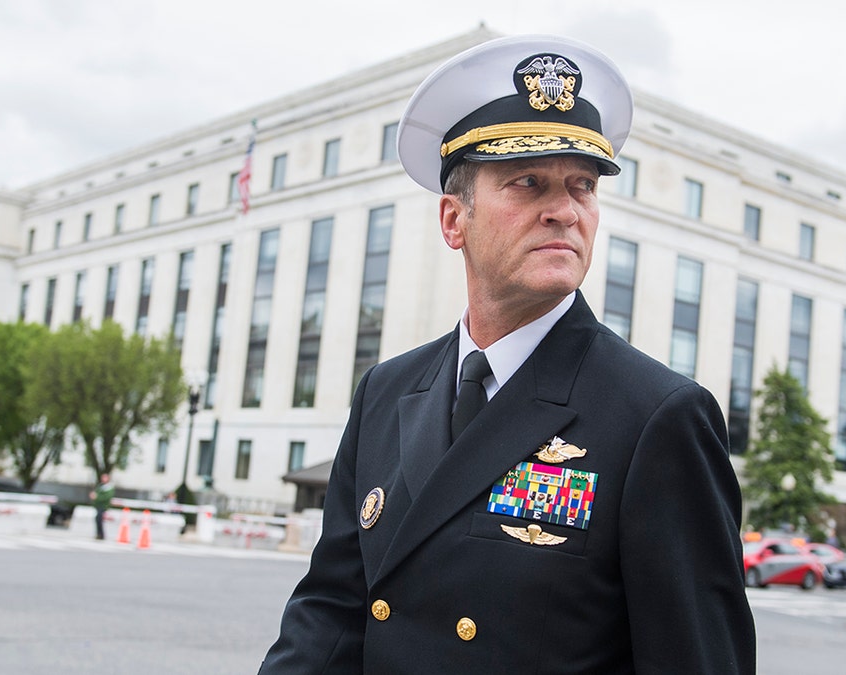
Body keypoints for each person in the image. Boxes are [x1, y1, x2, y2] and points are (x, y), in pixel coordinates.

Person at [260, 35, 754, 674]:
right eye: (528, 182)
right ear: (452, 220)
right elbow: (331, 611)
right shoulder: (387, 390)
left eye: (582, 186)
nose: (565, 211)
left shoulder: (657, 416)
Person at [89, 473, 114, 540]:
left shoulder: (108, 487)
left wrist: (96, 497)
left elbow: (106, 497)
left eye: (105, 478)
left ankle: (101, 534)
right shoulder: (100, 486)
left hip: (103, 506)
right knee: (97, 519)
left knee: (99, 519)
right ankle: (98, 534)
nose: (103, 479)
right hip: (98, 505)